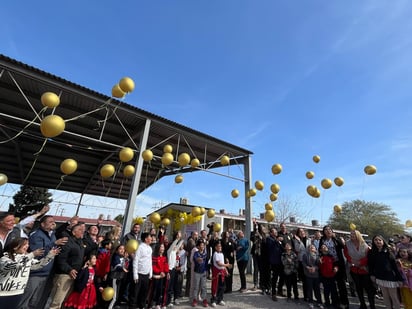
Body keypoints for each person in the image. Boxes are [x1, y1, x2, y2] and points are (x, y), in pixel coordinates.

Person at [17, 215, 68, 309]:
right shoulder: (37, 235)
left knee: (35, 301)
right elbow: (38, 253)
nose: (53, 223)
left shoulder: (52, 235)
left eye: (54, 221)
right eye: (50, 221)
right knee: (25, 301)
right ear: (42, 224)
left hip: (45, 273)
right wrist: (54, 243)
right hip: (35, 273)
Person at [0, 237, 59, 308]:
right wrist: (32, 254)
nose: (27, 246)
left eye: (28, 244)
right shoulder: (5, 258)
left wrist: (50, 255)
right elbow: (14, 265)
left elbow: (38, 265)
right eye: (24, 244)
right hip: (3, 294)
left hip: (18, 293)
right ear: (15, 247)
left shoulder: (27, 258)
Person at [49, 223, 86, 309]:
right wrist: (69, 269)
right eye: (80, 230)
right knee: (56, 302)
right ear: (73, 232)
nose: (82, 231)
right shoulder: (67, 242)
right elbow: (61, 259)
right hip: (64, 275)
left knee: (65, 301)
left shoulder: (80, 244)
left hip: (74, 276)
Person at [368, 234, 403, 309]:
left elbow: (394, 266)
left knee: (394, 297)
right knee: (386, 297)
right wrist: (372, 275)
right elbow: (370, 265)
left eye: (379, 240)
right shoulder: (371, 252)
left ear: (383, 241)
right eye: (376, 240)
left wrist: (399, 279)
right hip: (379, 277)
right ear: (373, 242)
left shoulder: (388, 251)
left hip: (390, 277)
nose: (378, 241)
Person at [318, 225, 349, 309]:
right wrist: (320, 258)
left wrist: (339, 240)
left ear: (332, 231)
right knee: (331, 285)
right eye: (326, 230)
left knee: (341, 284)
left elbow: (344, 247)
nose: (328, 231)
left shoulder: (336, 239)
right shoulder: (322, 240)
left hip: (338, 263)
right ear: (323, 232)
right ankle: (334, 302)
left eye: (329, 229)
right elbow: (320, 251)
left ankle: (344, 302)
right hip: (328, 264)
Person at [344, 230, 376, 309]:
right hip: (354, 269)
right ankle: (362, 304)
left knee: (368, 289)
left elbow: (368, 256)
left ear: (358, 235)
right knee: (358, 288)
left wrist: (360, 262)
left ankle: (372, 305)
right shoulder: (347, 244)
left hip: (364, 270)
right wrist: (351, 261)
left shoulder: (364, 244)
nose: (352, 236)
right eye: (351, 234)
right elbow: (346, 253)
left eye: (353, 234)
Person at [129, 232, 153, 309]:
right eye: (150, 237)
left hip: (146, 274)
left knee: (144, 292)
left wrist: (150, 272)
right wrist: (135, 274)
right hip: (139, 273)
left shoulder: (149, 248)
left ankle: (141, 306)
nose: (151, 238)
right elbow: (135, 261)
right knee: (135, 292)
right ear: (146, 239)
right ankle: (132, 306)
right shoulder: (140, 247)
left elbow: (150, 261)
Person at [166, 230, 184, 307]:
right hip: (169, 270)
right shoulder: (169, 251)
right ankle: (166, 301)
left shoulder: (174, 251)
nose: (175, 247)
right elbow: (174, 244)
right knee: (168, 286)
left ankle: (169, 301)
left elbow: (178, 245)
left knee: (172, 286)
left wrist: (182, 239)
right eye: (174, 246)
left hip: (173, 270)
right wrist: (177, 238)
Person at [210, 241, 231, 307]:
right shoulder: (215, 254)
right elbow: (218, 263)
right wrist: (227, 265)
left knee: (222, 287)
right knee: (215, 287)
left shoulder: (222, 254)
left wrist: (226, 270)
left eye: (220, 246)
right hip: (216, 273)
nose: (220, 247)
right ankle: (213, 300)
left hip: (222, 273)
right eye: (218, 246)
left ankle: (220, 299)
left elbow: (222, 264)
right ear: (215, 247)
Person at [302, 244, 324, 309]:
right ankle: (310, 301)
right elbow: (303, 263)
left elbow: (319, 265)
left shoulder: (318, 255)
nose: (312, 248)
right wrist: (307, 267)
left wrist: (315, 268)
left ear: (315, 249)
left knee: (317, 289)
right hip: (308, 274)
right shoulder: (305, 255)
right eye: (310, 247)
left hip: (316, 274)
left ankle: (319, 302)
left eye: (313, 247)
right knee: (309, 288)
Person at [108, 244, 129, 309]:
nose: (122, 250)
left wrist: (125, 259)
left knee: (117, 295)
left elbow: (127, 265)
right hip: (115, 278)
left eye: (123, 249)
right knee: (114, 297)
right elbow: (117, 265)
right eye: (120, 249)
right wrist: (122, 269)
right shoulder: (116, 257)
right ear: (117, 250)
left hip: (120, 279)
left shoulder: (124, 258)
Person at [266, 227, 283, 301]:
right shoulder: (269, 239)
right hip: (274, 262)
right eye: (274, 231)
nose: (276, 233)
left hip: (280, 261)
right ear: (271, 233)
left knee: (282, 277)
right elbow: (271, 247)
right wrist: (277, 240)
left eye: (276, 231)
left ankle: (279, 291)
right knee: (275, 278)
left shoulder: (278, 240)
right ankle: (273, 293)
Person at [150, 243, 169, 309]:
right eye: (161, 247)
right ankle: (150, 303)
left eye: (163, 247)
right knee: (153, 290)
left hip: (162, 276)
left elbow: (166, 266)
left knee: (160, 290)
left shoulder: (164, 257)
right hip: (155, 276)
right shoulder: (154, 257)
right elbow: (154, 267)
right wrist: (159, 272)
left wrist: (166, 272)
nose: (162, 248)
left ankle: (158, 303)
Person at [192, 239, 209, 307]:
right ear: (198, 246)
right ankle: (195, 299)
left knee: (204, 287)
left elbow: (207, 263)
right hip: (197, 272)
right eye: (201, 245)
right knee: (196, 287)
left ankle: (204, 299)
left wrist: (207, 271)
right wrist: (198, 259)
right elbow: (195, 259)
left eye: (203, 245)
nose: (202, 246)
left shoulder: (205, 253)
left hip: (203, 272)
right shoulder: (196, 253)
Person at [250, 219, 263, 291]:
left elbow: (263, 240)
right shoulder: (252, 233)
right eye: (255, 227)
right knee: (256, 269)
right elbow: (252, 239)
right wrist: (255, 234)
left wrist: (260, 235)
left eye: (257, 227)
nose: (256, 228)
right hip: (255, 253)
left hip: (261, 253)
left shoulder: (262, 234)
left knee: (261, 269)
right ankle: (255, 284)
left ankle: (261, 284)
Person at [185, 231, 199, 297]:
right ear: (192, 235)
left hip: (193, 262)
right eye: (195, 235)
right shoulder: (191, 241)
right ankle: (187, 292)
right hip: (190, 262)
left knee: (192, 278)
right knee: (189, 278)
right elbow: (194, 248)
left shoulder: (194, 241)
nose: (196, 236)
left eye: (197, 235)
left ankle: (190, 291)